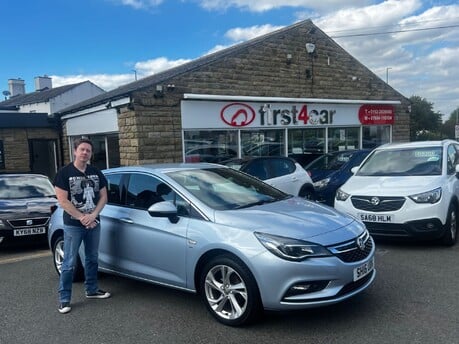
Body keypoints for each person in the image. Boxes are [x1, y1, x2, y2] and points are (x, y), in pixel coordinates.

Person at [54, 137, 110, 314]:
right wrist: (82, 217)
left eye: (88, 150)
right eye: (82, 149)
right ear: (75, 151)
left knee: (92, 258)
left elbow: (103, 197)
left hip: (94, 222)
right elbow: (63, 201)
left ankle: (92, 290)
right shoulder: (64, 173)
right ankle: (64, 299)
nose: (85, 153)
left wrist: (93, 215)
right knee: (69, 262)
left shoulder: (96, 172)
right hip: (73, 225)